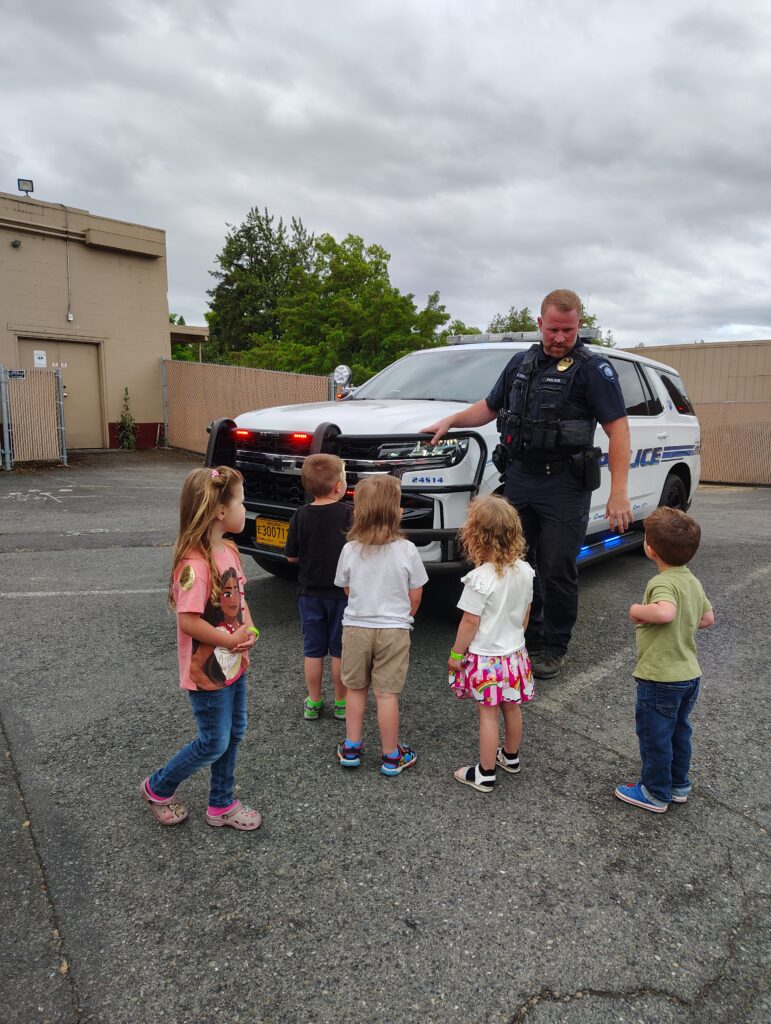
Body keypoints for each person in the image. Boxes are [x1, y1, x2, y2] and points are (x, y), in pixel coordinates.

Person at [423, 288, 632, 680]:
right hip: (520, 480)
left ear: (579, 326)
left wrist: (619, 491)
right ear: (539, 324)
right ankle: (525, 637)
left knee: (557, 568)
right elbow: (489, 407)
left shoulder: (593, 370)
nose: (559, 338)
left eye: (568, 331)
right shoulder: (520, 364)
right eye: (553, 329)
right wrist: (451, 420)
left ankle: (552, 647)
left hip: (564, 486)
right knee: (515, 565)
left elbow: (618, 429)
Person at [139, 466, 261, 830]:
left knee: (234, 733)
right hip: (205, 671)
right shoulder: (195, 564)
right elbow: (188, 622)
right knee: (213, 742)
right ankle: (158, 787)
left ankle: (221, 804)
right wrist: (230, 639)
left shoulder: (230, 551)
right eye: (241, 501)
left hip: (232, 662)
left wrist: (248, 630)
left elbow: (240, 598)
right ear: (220, 511)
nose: (245, 508)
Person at [615, 507, 714, 813]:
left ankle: (655, 792)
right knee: (679, 731)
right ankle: (678, 784)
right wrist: (684, 620)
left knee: (654, 736)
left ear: (650, 548)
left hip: (661, 677)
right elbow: (707, 618)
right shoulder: (691, 581)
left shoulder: (663, 583)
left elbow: (664, 612)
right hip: (688, 675)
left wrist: (636, 611)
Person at [334, 474, 428, 776]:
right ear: (396, 511)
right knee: (386, 694)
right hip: (395, 630)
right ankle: (390, 755)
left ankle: (351, 746)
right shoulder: (408, 549)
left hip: (356, 627)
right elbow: (416, 593)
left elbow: (345, 588)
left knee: (355, 688)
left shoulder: (350, 549)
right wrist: (405, 614)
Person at [448, 496, 535, 793]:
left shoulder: (479, 578)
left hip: (487, 659)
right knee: (511, 707)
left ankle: (484, 772)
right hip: (514, 654)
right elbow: (525, 612)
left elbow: (469, 623)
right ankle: (510, 757)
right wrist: (515, 637)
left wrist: (456, 654)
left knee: (487, 713)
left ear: (474, 535)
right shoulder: (524, 571)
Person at [285, 454, 352, 721]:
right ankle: (341, 702)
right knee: (339, 650)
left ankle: (313, 701)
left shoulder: (300, 515)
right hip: (342, 593)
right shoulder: (349, 513)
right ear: (338, 487)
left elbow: (291, 556)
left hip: (309, 592)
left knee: (313, 649)